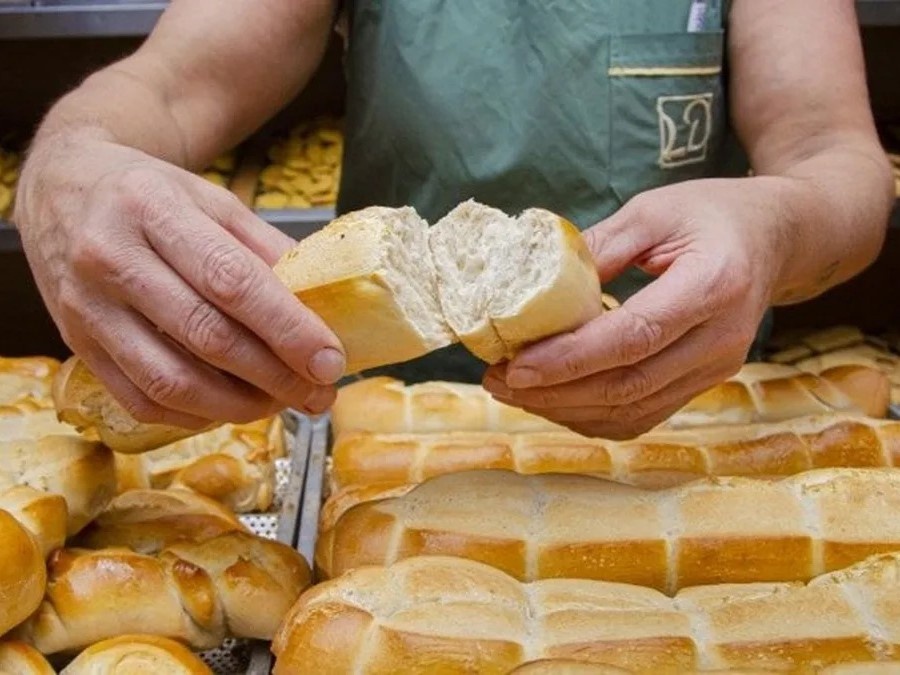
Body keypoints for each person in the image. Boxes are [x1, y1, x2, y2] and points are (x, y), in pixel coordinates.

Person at [14, 0, 892, 440]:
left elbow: (837, 159)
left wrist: (779, 229)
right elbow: (169, 86)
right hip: (384, 430)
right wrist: (70, 159)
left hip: (692, 417)